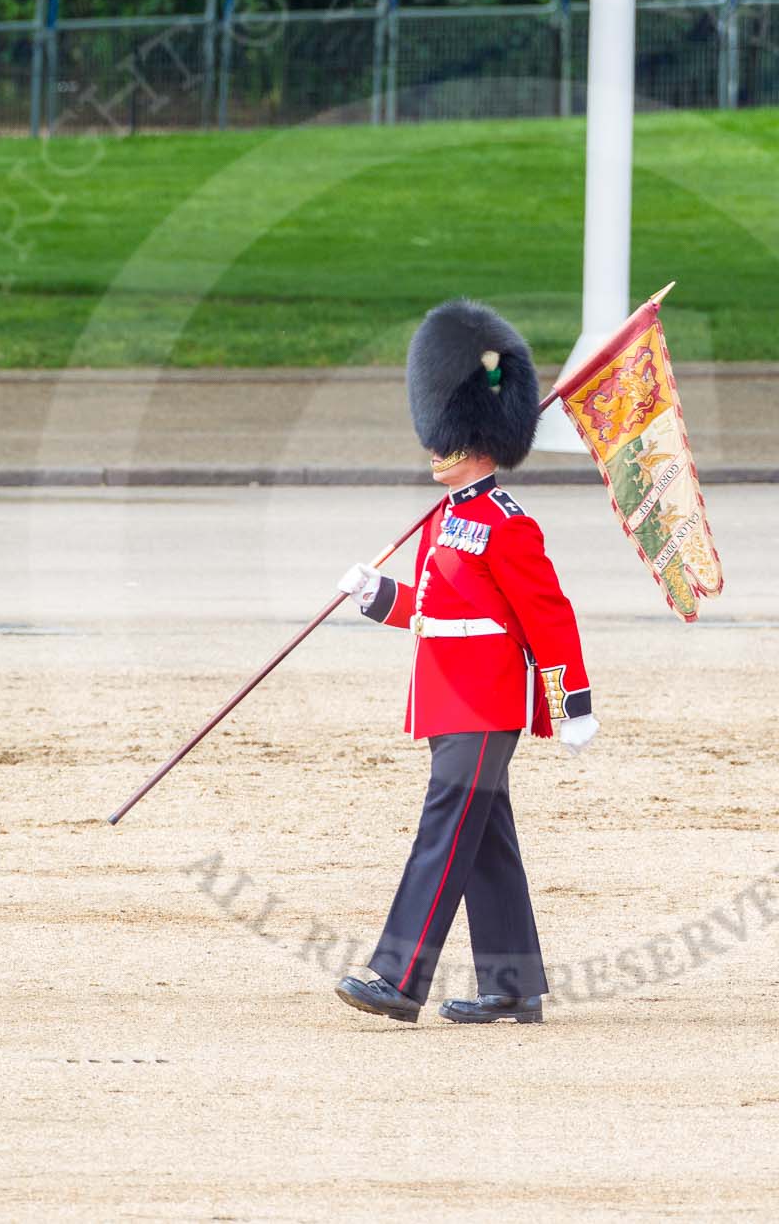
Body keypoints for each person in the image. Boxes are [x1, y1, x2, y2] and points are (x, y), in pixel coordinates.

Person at [331, 299, 597, 1026]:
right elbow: (437, 609)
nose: (433, 450)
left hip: (485, 703)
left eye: (445, 438)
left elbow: (548, 615)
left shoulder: (508, 523)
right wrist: (377, 594)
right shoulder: (450, 518)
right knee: (484, 844)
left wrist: (572, 701)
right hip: (450, 696)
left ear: (474, 440)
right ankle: (512, 985)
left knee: (443, 830)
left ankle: (398, 975)